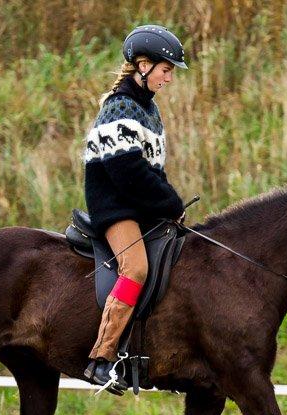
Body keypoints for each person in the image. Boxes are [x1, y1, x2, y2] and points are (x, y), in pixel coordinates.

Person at [82, 25, 188, 392]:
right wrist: (170, 202)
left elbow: (151, 170)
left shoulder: (148, 108)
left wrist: (167, 207)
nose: (169, 78)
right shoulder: (121, 106)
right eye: (166, 70)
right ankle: (102, 357)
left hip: (140, 206)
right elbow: (128, 172)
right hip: (116, 208)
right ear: (143, 65)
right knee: (137, 268)